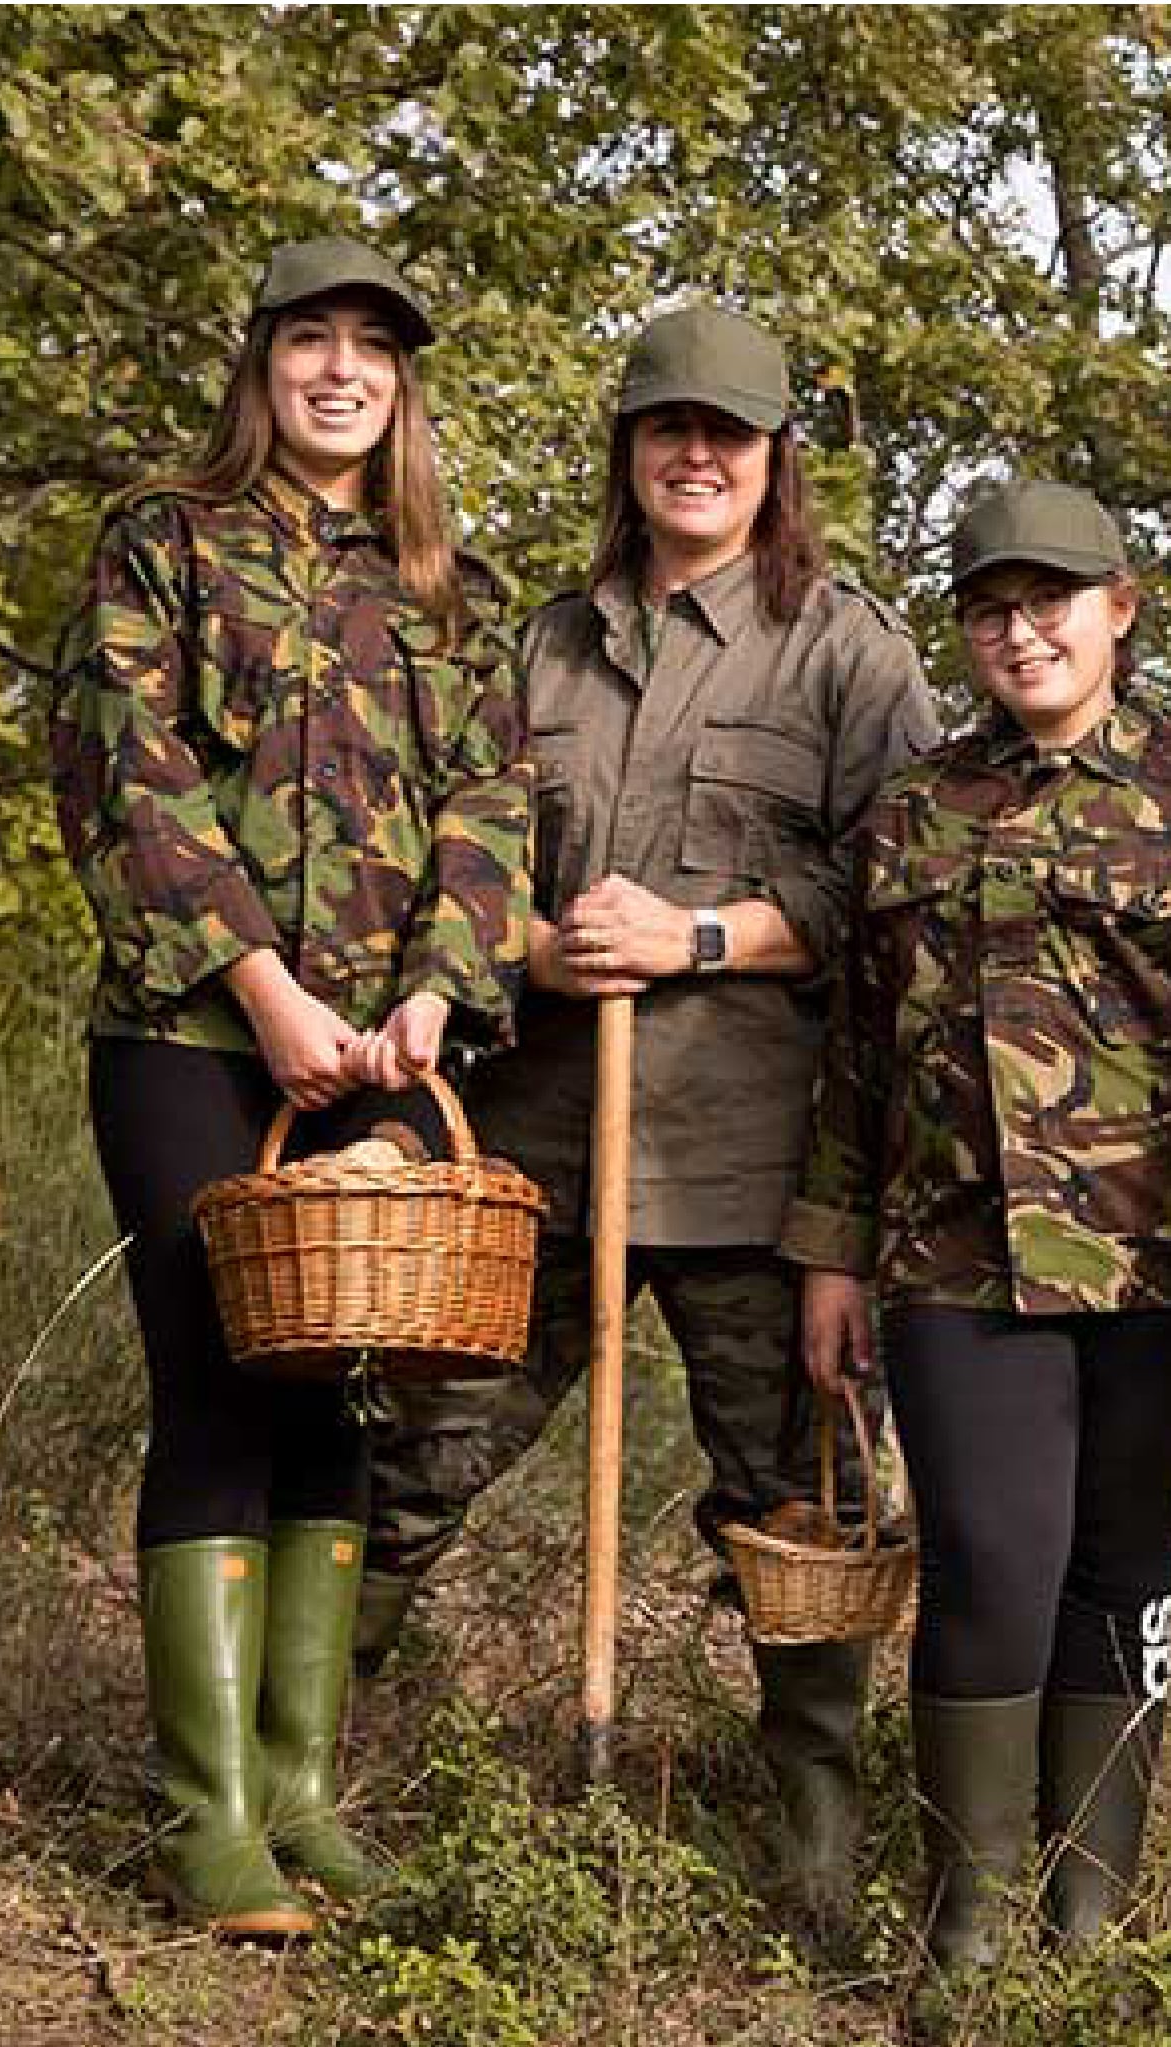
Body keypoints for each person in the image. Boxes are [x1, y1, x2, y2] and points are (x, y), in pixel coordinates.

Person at [359, 304, 937, 1929]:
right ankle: (298, 1780)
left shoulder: (845, 647)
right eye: (670, 427)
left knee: (799, 1506)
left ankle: (812, 1853)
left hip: (759, 1166)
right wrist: (535, 946)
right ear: (627, 449)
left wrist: (695, 935)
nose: (700, 455)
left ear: (774, 463)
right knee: (414, 1456)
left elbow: (893, 892)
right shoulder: (533, 645)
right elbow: (448, 866)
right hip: (542, 1148)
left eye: (732, 436)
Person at [51, 236, 531, 1937]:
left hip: (385, 1050)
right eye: (309, 342)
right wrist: (263, 990)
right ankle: (212, 1818)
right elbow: (125, 772)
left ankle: (309, 1794)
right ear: (260, 366)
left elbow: (494, 799)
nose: (340, 371)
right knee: (217, 1380)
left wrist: (429, 1002)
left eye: (372, 351)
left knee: (344, 1394)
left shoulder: (446, 587)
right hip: (195, 1034)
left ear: (402, 388)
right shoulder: (161, 536)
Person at [781, 479, 1171, 1981]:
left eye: (1051, 599)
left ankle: (1088, 1917)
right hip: (952, 1260)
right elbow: (857, 1046)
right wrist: (832, 1250)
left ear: (1120, 607)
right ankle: (970, 1925)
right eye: (990, 606)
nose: (1020, 629)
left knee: (1126, 1568)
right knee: (992, 1562)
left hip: (1169, 1259)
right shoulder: (915, 807)